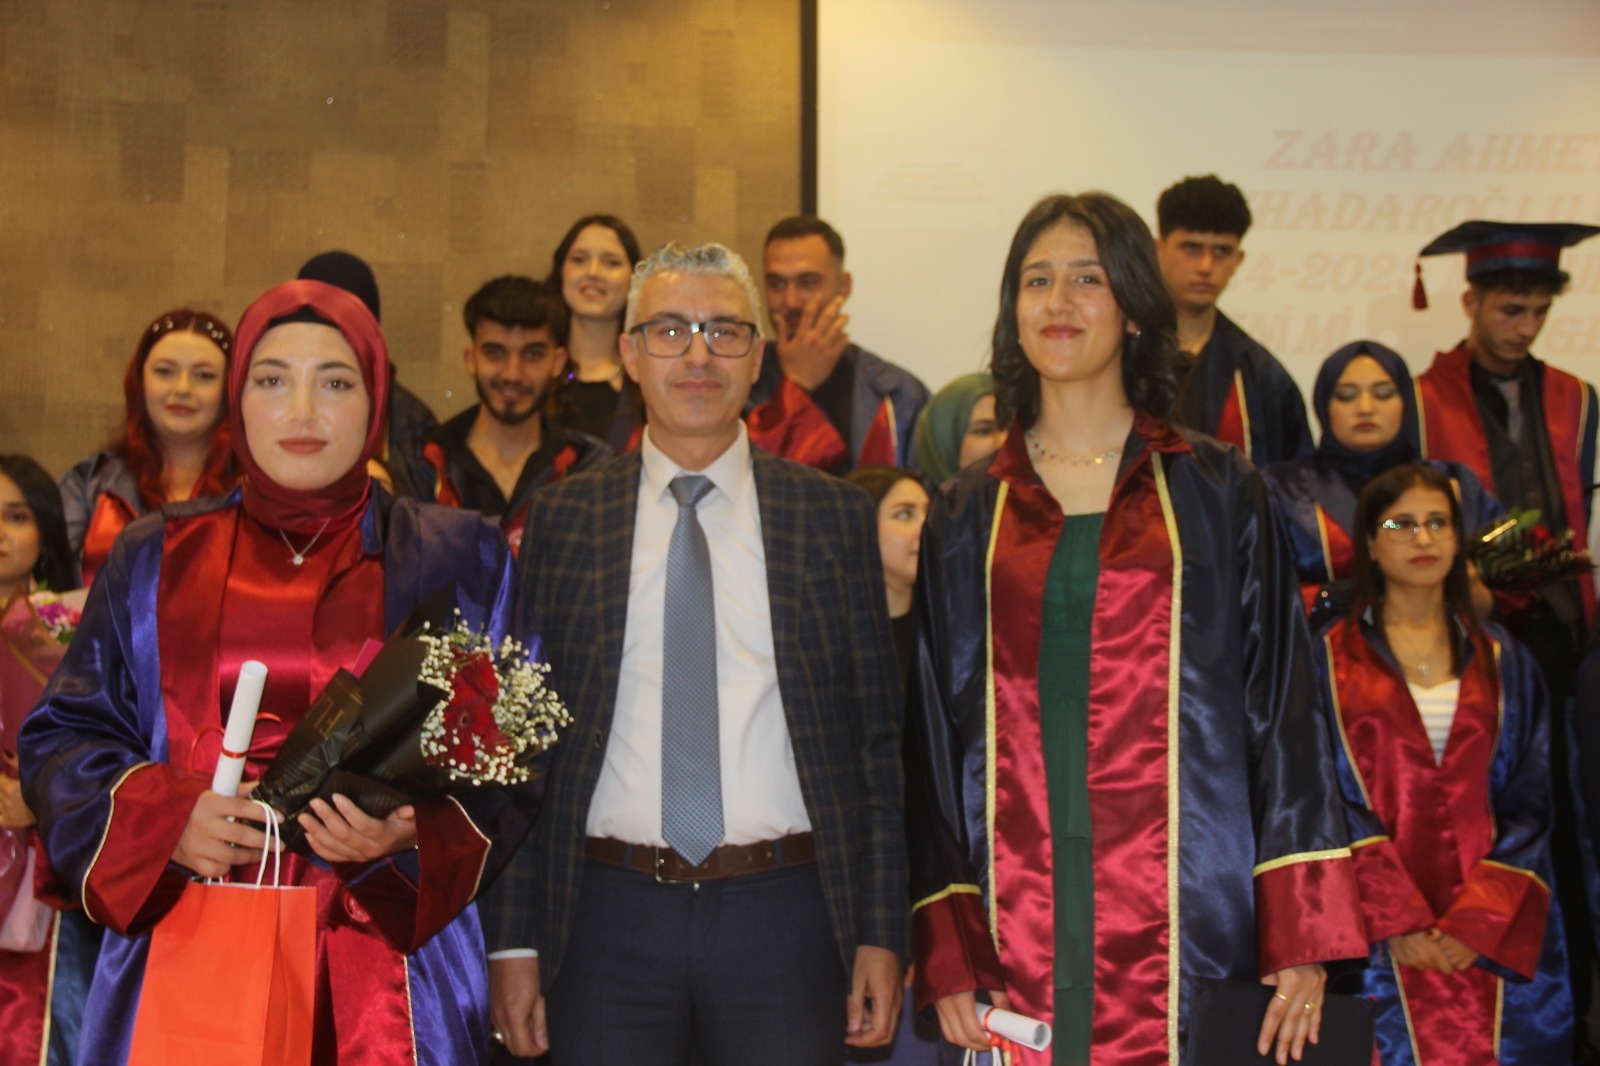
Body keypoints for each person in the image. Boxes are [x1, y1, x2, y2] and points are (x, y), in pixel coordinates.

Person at [19, 279, 534, 1063]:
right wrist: (166, 819)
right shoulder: (155, 554)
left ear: (377, 400)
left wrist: (410, 831)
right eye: (271, 380)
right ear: (238, 400)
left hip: (384, 957)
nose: (302, 411)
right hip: (192, 928)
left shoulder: (458, 554)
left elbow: (512, 756)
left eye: (335, 383)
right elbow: (64, 738)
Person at [907, 192, 1367, 1066]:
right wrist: (950, 939)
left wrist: (1302, 926)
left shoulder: (1219, 488)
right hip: (1014, 918)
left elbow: (1284, 708)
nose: (1059, 301)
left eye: (1088, 278)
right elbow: (933, 738)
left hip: (1194, 909)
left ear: (1133, 306)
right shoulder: (968, 510)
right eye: (1036, 280)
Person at [483, 242, 907, 1066]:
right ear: (631, 353)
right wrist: (512, 942)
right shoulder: (564, 520)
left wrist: (881, 931)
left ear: (759, 356)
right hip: (603, 919)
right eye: (671, 331)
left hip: (787, 917)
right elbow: (523, 752)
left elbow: (877, 747)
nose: (699, 355)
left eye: (725, 331)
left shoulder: (831, 517)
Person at [1414, 219, 1600, 1056]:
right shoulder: (1424, 400)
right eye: (1508, 309)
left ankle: (1579, 1008)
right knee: (1498, 826)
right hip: (1475, 654)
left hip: (1568, 647)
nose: (1523, 328)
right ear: (1471, 301)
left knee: (1575, 825)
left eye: (1536, 312)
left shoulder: (1577, 400)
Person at [1316, 463, 1572, 1064]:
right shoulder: (1325, 659)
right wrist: (1394, 917)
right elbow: (1317, 794)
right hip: (1374, 934)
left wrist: (1477, 921)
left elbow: (1532, 796)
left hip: (1493, 931)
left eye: (1438, 523)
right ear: (1370, 543)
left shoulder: (1506, 658)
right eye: (1400, 524)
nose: (1422, 538)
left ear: (1459, 539)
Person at [1264, 340, 1502, 615]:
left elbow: (1513, 593)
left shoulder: (1454, 484)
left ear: (1405, 402)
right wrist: (1342, 597)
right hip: (1322, 641)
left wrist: (1482, 598)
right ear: (1323, 404)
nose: (1366, 408)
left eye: (1384, 394)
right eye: (1347, 396)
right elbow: (1262, 595)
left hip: (1443, 638)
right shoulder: (1283, 490)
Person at [0, 454, 99, 1066]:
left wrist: (38, 793)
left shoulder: (71, 627)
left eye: (15, 516)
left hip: (45, 869)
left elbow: (106, 743)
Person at [420, 275, 611, 552]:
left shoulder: (591, 468)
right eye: (495, 353)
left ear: (558, 362)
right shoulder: (423, 463)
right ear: (471, 360)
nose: (513, 374)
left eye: (532, 354)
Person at [58, 308, 236, 586]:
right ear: (139, 381)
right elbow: (52, 588)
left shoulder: (253, 488)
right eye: (165, 372)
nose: (182, 389)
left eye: (204, 376)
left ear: (230, 387)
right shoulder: (89, 481)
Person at [747, 216, 930, 473]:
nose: (790, 302)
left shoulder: (896, 394)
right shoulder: (739, 383)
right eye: (776, 284)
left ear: (843, 287)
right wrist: (797, 385)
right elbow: (742, 479)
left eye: (808, 283)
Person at [1155, 175, 1311, 466]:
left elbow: (1294, 481)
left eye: (1221, 251)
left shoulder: (1263, 376)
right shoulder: (1119, 353)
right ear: (1158, 249)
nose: (1206, 266)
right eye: (1191, 247)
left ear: (1238, 260)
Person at [297, 249, 441, 499]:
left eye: (348, 322)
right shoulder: (277, 403)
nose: (331, 336)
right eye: (318, 320)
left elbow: (419, 512)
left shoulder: (412, 421)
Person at [546, 214, 646, 450]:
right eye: (579, 260)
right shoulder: (533, 372)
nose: (592, 273)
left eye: (611, 263)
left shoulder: (648, 379)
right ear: (561, 272)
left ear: (634, 279)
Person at [910, 373, 1008, 487]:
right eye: (984, 431)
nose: (1004, 440)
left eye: (1013, 430)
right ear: (945, 443)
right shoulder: (909, 496)